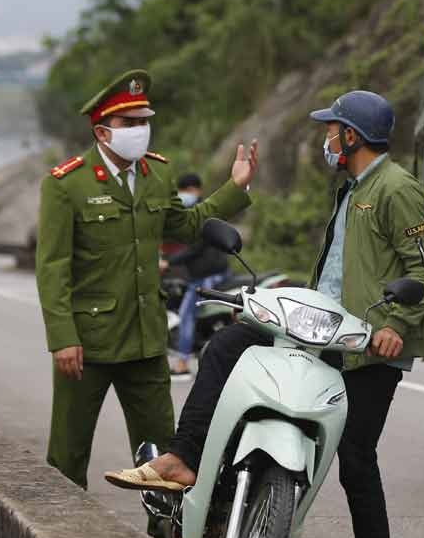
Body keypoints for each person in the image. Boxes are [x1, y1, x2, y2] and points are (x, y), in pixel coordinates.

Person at [106, 90, 424, 538]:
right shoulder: (352, 187)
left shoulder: (396, 188)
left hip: (368, 344)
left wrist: (396, 325)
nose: (326, 138)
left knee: (355, 456)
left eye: (332, 130)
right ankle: (185, 461)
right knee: (225, 349)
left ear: (351, 136)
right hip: (321, 326)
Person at [36, 69, 259, 489]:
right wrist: (63, 337)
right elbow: (52, 267)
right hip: (89, 343)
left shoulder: (156, 175)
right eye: (130, 123)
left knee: (163, 460)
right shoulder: (67, 184)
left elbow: (188, 224)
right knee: (67, 455)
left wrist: (235, 187)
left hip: (145, 339)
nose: (142, 130)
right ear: (103, 132)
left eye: (144, 121)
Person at [165, 173, 232, 377]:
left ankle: (183, 361)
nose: (184, 195)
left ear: (196, 190)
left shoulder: (202, 213)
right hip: (209, 272)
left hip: (210, 274)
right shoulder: (191, 211)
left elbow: (195, 248)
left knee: (186, 313)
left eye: (187, 191)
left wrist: (168, 262)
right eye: (182, 192)